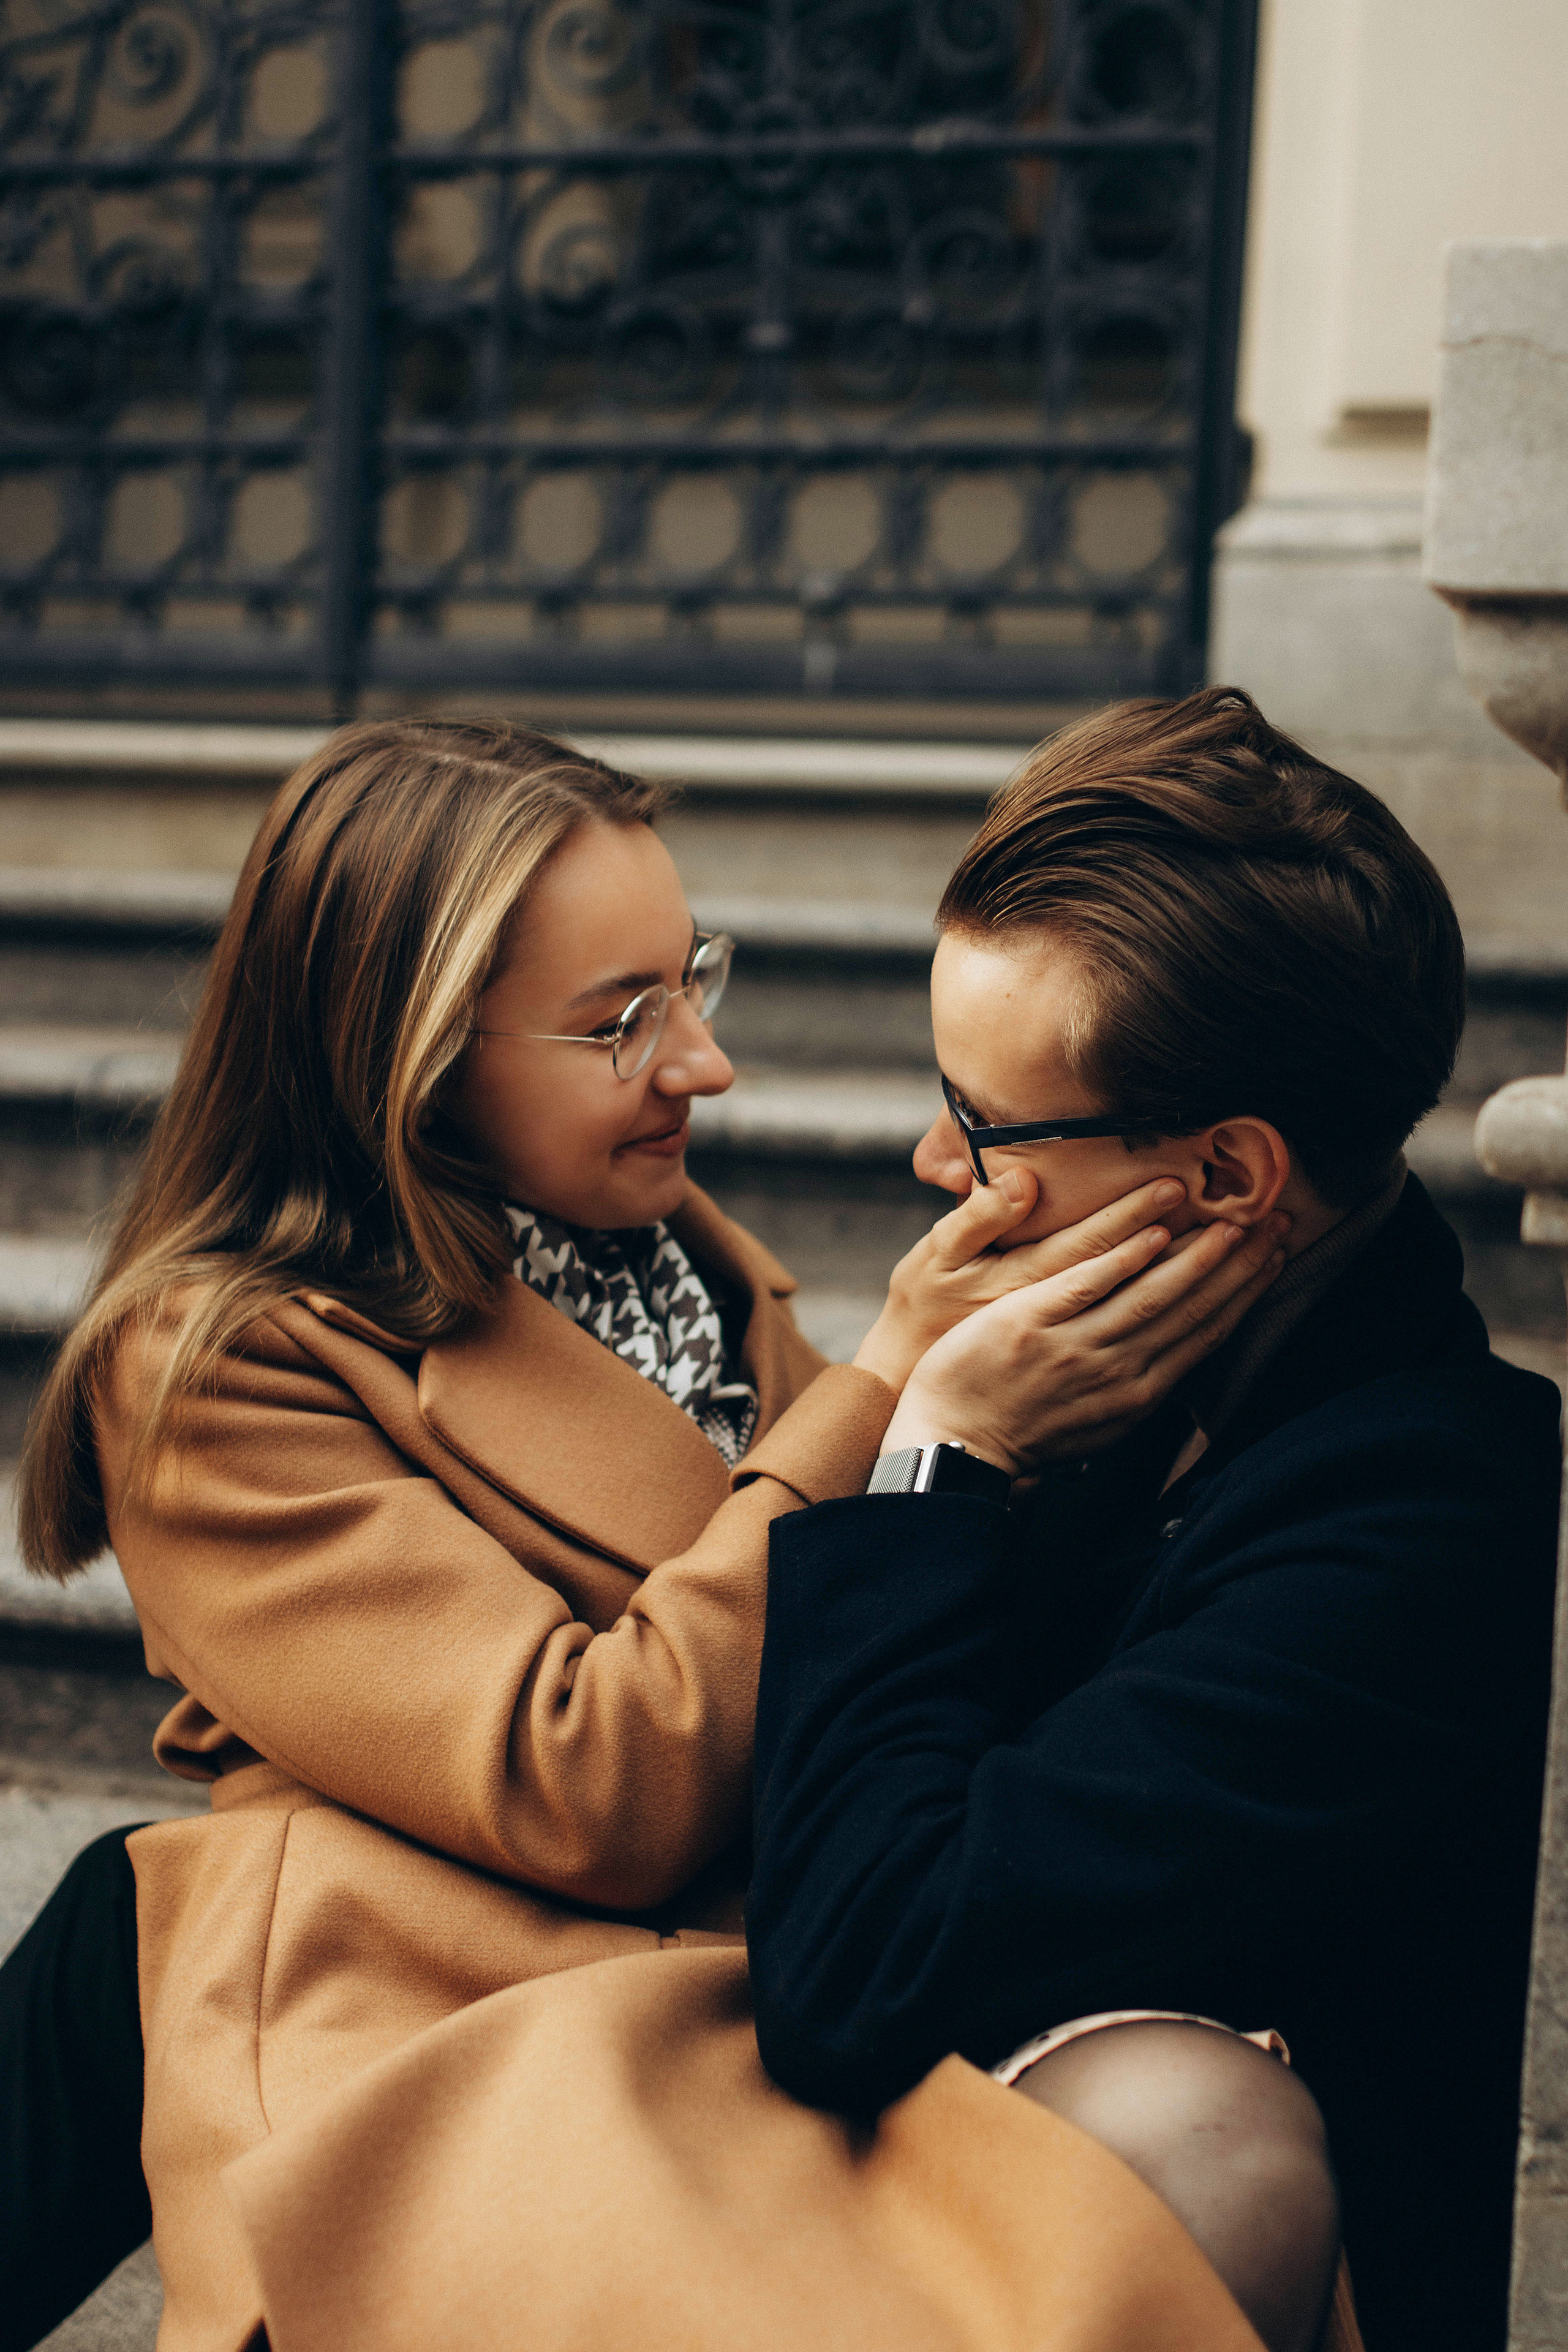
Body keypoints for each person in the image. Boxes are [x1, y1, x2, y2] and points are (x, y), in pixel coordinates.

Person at [2, 715, 1289, 2352]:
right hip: (455, 2043)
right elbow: (587, 1780)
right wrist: (894, 1385)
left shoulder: (668, 1257)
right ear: (412, 1056)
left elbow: (871, 1629)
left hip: (745, 1996)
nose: (703, 1062)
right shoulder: (222, 1364)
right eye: (624, 1021)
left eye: (698, 979)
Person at [744, 688, 1562, 2352]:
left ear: (1229, 1179)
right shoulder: (1149, 1382)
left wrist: (942, 1458)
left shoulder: (1410, 1521)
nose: (928, 1159)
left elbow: (847, 1970)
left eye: (982, 1128)